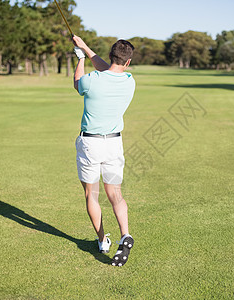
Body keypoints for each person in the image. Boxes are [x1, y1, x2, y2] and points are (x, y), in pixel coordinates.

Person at [71, 35, 135, 267]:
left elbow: (78, 84)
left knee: (92, 195)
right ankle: (125, 234)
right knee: (115, 194)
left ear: (111, 56)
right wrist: (86, 48)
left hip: (90, 144)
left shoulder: (92, 79)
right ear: (127, 62)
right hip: (114, 143)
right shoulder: (129, 80)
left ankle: (102, 241)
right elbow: (109, 70)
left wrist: (79, 57)